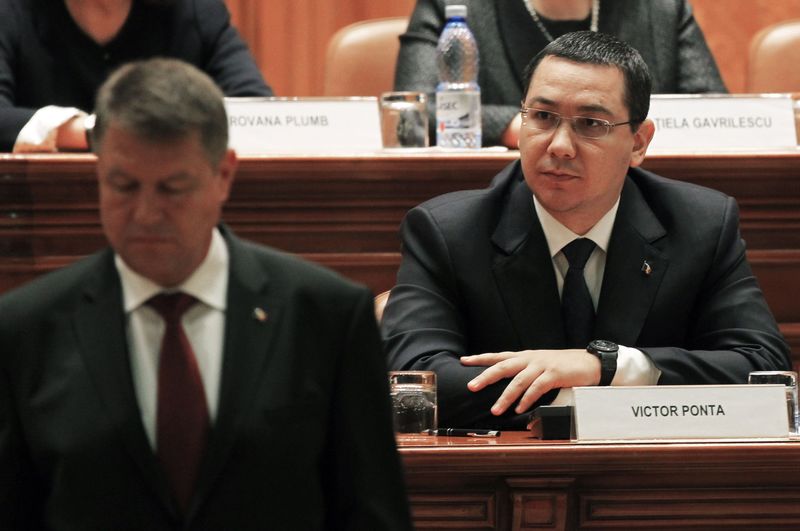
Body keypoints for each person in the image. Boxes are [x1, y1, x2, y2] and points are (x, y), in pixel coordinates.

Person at [0, 58, 411, 530]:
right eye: (123, 186)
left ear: (223, 175)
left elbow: (373, 515)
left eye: (173, 188)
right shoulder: (24, 330)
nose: (147, 213)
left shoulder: (327, 317)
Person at [381, 31, 790, 430]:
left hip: (653, 481)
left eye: (591, 123)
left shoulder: (701, 224)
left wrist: (608, 364)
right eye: (542, 117)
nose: (559, 145)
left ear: (638, 143)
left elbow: (764, 371)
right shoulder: (448, 232)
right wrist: (589, 393)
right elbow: (415, 383)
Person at [395, 0, 727, 147]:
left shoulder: (663, 9)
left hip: (639, 197)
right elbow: (413, 113)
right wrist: (522, 126)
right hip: (493, 199)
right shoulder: (452, 5)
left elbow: (714, 110)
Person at [0, 0, 272, 153]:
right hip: (40, 215)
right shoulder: (11, 11)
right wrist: (94, 134)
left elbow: (256, 113)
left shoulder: (195, 11)